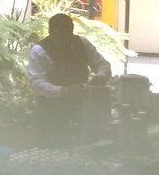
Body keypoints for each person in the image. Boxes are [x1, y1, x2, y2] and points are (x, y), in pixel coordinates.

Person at [28, 13, 112, 143]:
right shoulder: (39, 51)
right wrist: (64, 91)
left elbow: (102, 64)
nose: (65, 42)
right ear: (51, 33)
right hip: (50, 111)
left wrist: (100, 76)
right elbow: (36, 85)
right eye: (60, 38)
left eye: (68, 37)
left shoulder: (82, 44)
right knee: (52, 146)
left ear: (72, 32)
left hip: (81, 109)